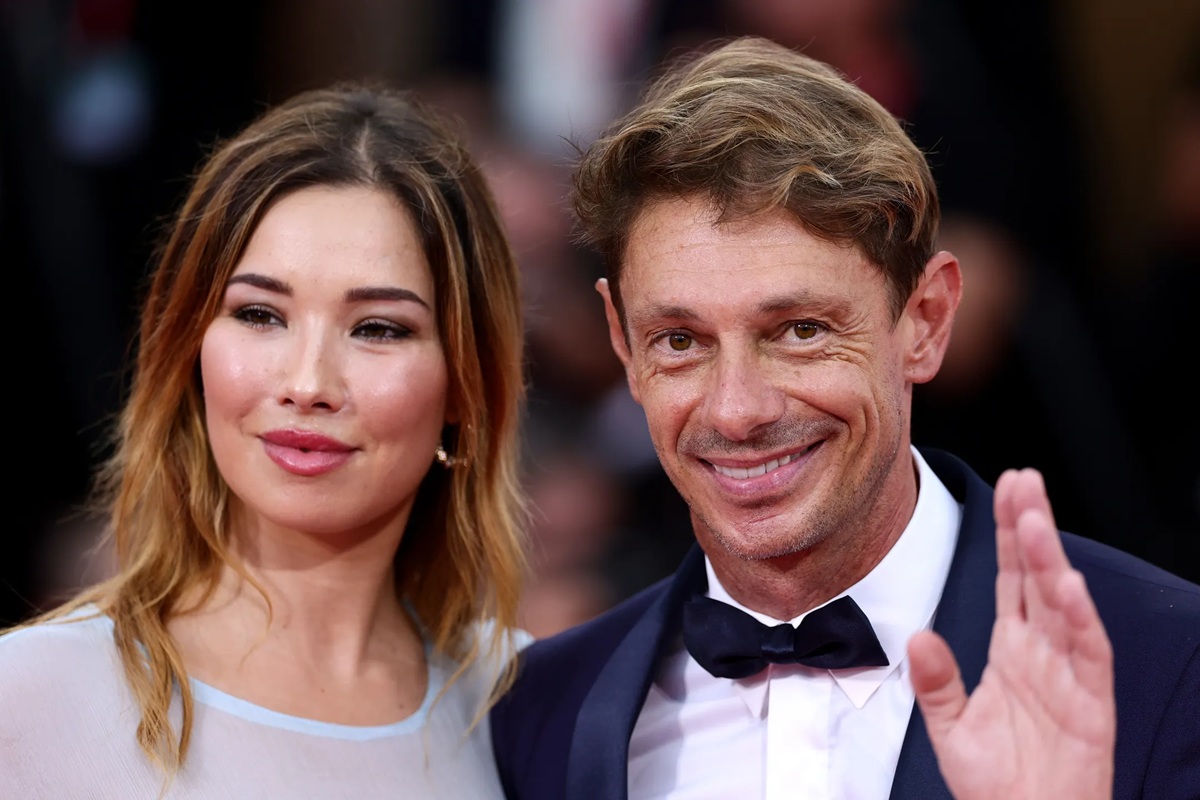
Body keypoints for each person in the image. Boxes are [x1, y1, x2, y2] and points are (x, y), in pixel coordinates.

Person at [489, 36, 1200, 800]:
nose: (737, 410)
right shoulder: (536, 717)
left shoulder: (1169, 666)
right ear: (623, 344)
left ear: (925, 320)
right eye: (681, 340)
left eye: (801, 331)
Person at [0, 81, 527, 798]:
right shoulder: (31, 698)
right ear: (190, 346)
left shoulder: (528, 705)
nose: (307, 382)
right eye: (259, 314)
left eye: (378, 328)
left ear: (467, 382)